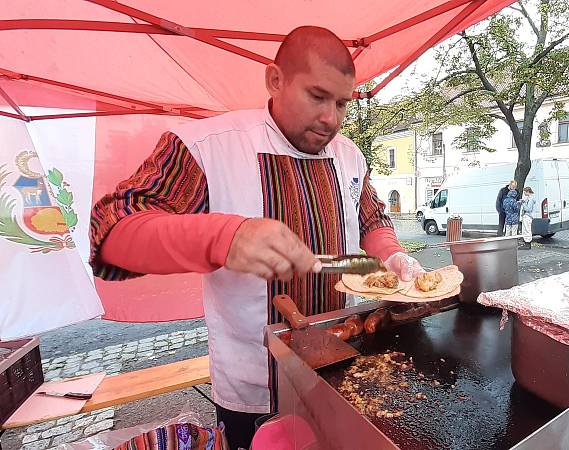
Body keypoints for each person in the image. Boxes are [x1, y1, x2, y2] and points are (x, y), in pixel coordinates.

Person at [89, 26, 423, 450]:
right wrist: (224, 236)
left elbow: (372, 219)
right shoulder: (206, 146)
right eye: (317, 97)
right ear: (275, 80)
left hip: (341, 365)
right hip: (251, 386)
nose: (331, 119)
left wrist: (393, 258)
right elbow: (111, 229)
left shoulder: (349, 154)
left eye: (342, 104)